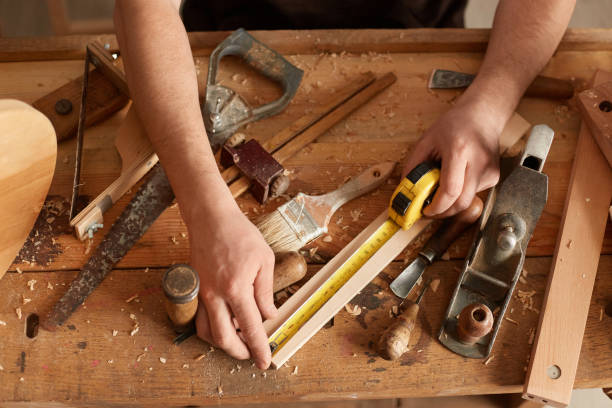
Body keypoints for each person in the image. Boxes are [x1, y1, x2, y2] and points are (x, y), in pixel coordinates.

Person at [113, 0, 575, 369]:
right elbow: (143, 9)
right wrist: (205, 206)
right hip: (231, 26)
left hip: (416, 32)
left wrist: (490, 105)